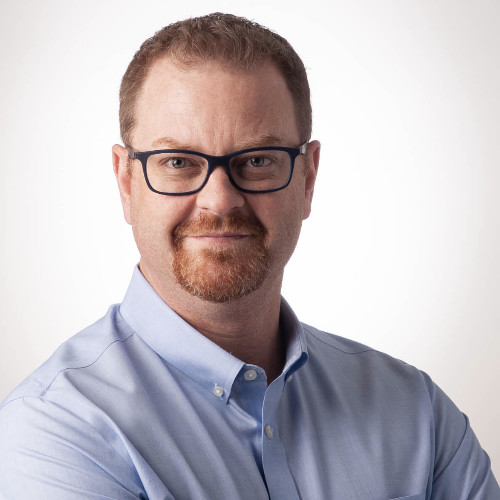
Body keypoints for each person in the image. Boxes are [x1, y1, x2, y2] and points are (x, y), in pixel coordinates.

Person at [0, 12, 498, 500]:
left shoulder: (417, 413)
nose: (220, 201)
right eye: (178, 162)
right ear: (127, 184)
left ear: (308, 179)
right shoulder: (54, 432)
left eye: (257, 160)